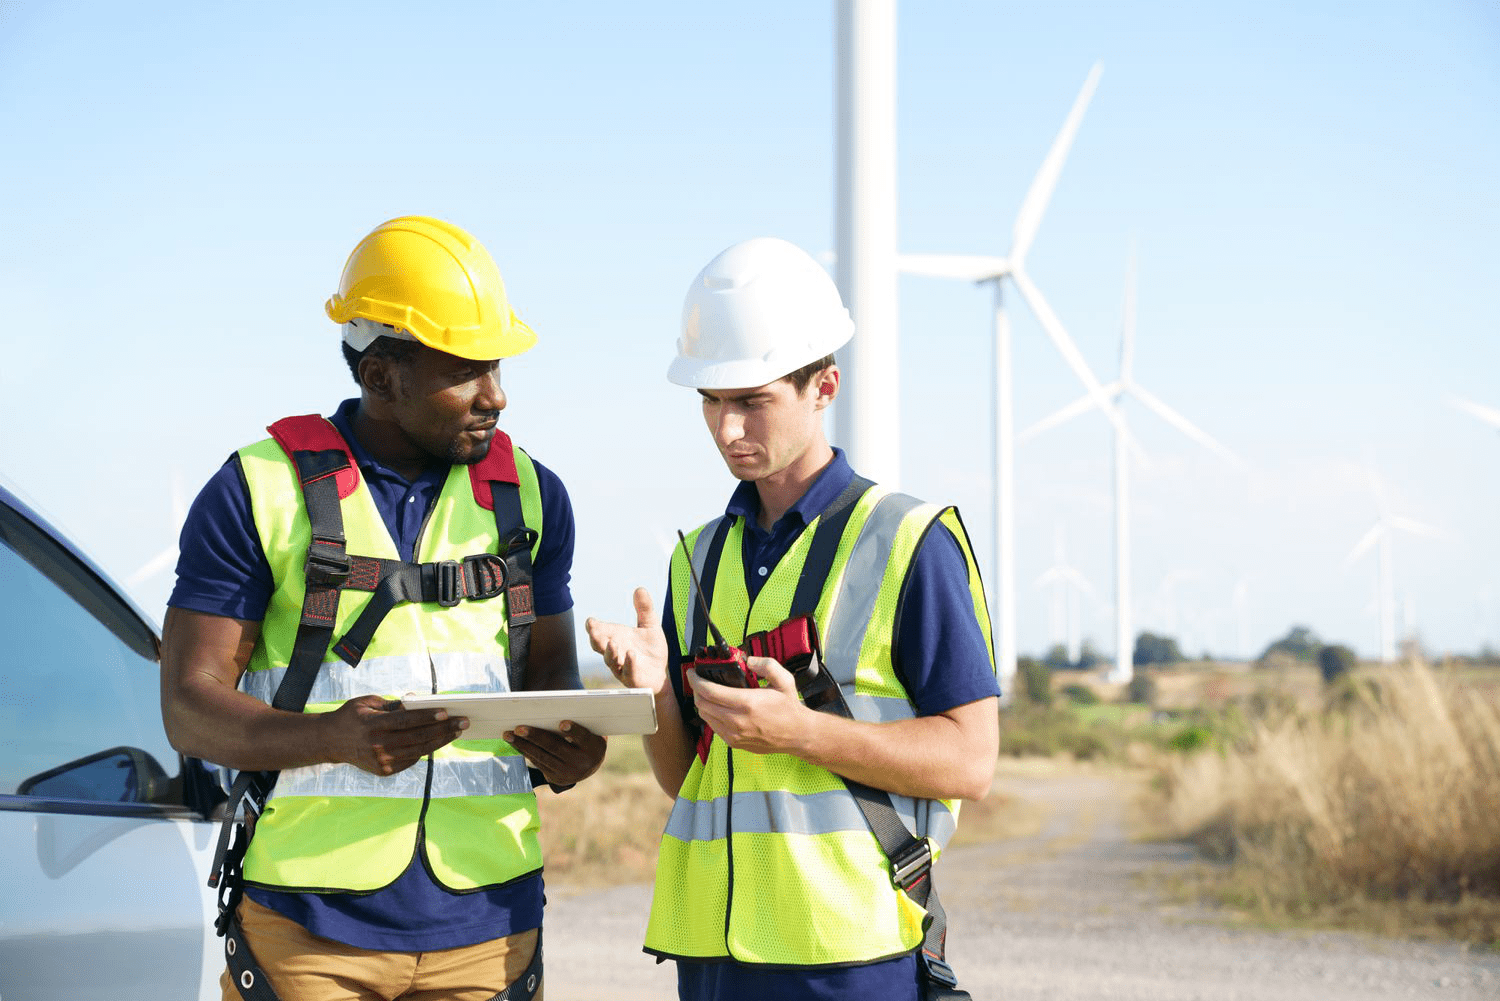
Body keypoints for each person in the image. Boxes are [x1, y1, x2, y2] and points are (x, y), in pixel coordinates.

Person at [161, 215, 605, 1001]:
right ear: (381, 374)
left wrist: (575, 753)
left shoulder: (534, 495)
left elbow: (552, 681)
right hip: (308, 933)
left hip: (491, 924)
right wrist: (333, 736)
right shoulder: (257, 488)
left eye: (496, 364)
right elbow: (190, 711)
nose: (496, 395)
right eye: (465, 369)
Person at [585, 237, 1001, 1001]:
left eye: (752, 400)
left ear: (825, 386)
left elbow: (972, 761)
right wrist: (655, 695)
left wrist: (802, 731)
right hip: (712, 949)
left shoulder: (910, 541)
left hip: (848, 954)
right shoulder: (696, 561)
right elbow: (689, 779)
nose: (725, 428)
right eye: (711, 400)